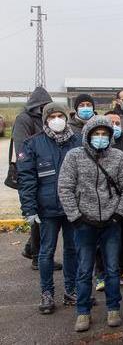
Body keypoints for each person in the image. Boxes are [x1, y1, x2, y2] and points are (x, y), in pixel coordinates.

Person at [58, 115, 123, 333]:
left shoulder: (118, 156)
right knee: (84, 270)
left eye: (104, 134)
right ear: (88, 135)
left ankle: (113, 308)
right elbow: (65, 187)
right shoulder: (74, 156)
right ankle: (83, 311)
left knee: (112, 269)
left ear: (110, 137)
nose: (100, 137)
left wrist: (119, 214)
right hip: (84, 223)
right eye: (96, 134)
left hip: (111, 223)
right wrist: (75, 217)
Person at [17, 102, 82, 313]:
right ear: (45, 120)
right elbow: (26, 178)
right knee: (46, 252)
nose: (56, 120)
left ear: (66, 118)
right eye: (52, 116)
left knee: (72, 250)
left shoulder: (78, 141)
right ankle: (47, 294)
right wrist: (29, 208)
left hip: (72, 207)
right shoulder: (33, 144)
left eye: (60, 115)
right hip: (47, 209)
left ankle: (71, 291)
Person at [94, 111, 123, 291]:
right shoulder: (96, 145)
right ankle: (101, 274)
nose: (115, 126)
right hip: (103, 203)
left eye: (117, 123)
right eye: (111, 123)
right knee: (101, 241)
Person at [12, 87, 53, 268]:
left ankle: (31, 248)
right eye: (43, 105)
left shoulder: (46, 119)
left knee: (43, 215)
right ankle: (37, 257)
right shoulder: (24, 119)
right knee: (38, 216)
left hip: (46, 172)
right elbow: (21, 149)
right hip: (31, 172)